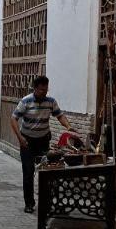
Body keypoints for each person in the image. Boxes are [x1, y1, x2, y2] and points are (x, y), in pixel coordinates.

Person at [11, 75, 72, 213]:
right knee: (28, 172)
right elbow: (13, 119)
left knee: (47, 171)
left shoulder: (50, 101)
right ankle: (29, 203)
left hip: (43, 140)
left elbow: (59, 115)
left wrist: (68, 126)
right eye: (41, 90)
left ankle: (47, 201)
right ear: (35, 88)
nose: (44, 93)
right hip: (27, 141)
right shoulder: (25, 101)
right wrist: (20, 138)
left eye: (46, 90)